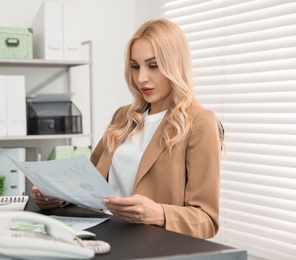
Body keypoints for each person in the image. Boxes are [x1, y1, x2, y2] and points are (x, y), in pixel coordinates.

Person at [31, 18, 222, 239]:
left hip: (150, 245)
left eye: (153, 65)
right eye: (135, 66)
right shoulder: (124, 117)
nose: (141, 78)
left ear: (175, 66)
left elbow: (207, 220)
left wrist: (156, 213)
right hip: (101, 235)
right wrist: (56, 194)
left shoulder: (199, 122)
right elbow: (87, 185)